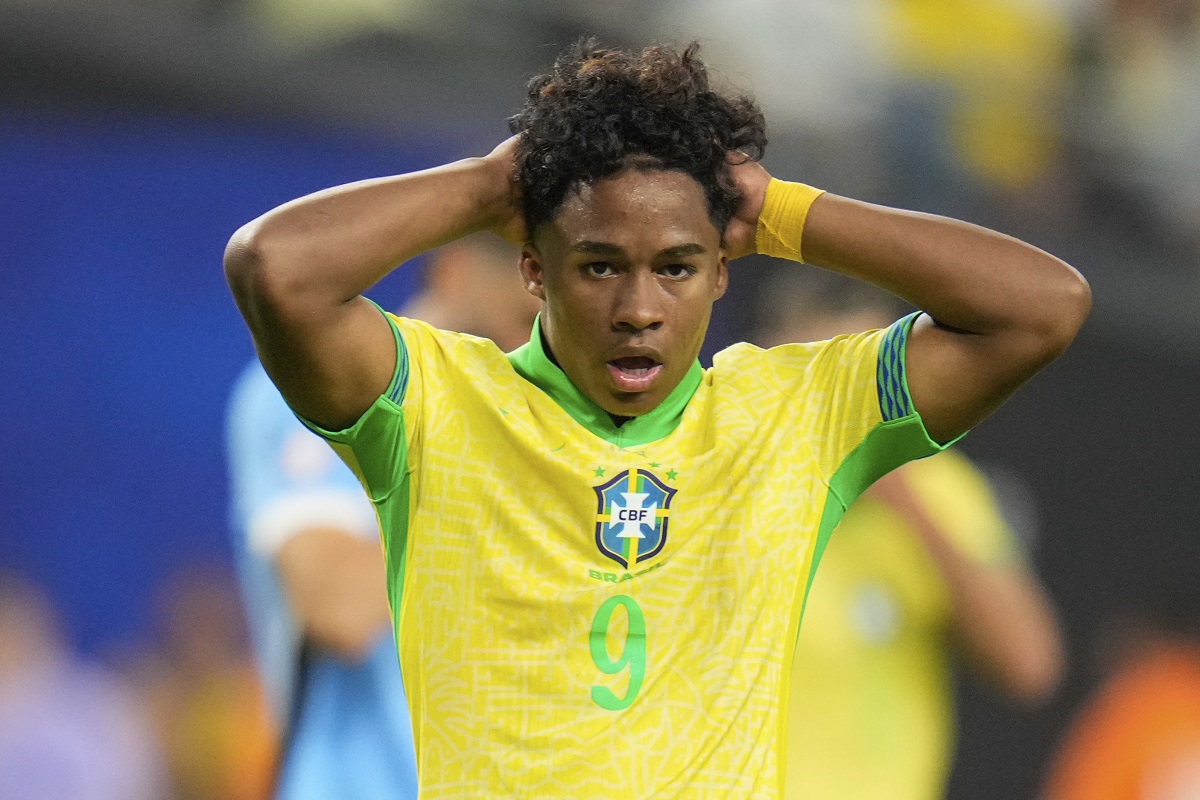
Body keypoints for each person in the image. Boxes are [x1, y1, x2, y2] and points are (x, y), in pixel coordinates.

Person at [223, 38, 1090, 798]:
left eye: (676, 268)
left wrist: (783, 210)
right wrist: (495, 182)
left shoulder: (796, 416)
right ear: (535, 270)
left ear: (722, 272)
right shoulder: (435, 404)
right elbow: (274, 267)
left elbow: (1045, 306)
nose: (640, 307)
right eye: (599, 267)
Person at [226, 234, 538, 800]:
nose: (534, 349)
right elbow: (337, 607)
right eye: (523, 318)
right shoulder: (313, 389)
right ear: (455, 273)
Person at [750, 267, 1065, 799]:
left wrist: (904, 499)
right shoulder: (725, 479)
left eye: (868, 380)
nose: (846, 407)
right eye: (822, 378)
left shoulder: (935, 484)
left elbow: (1030, 667)